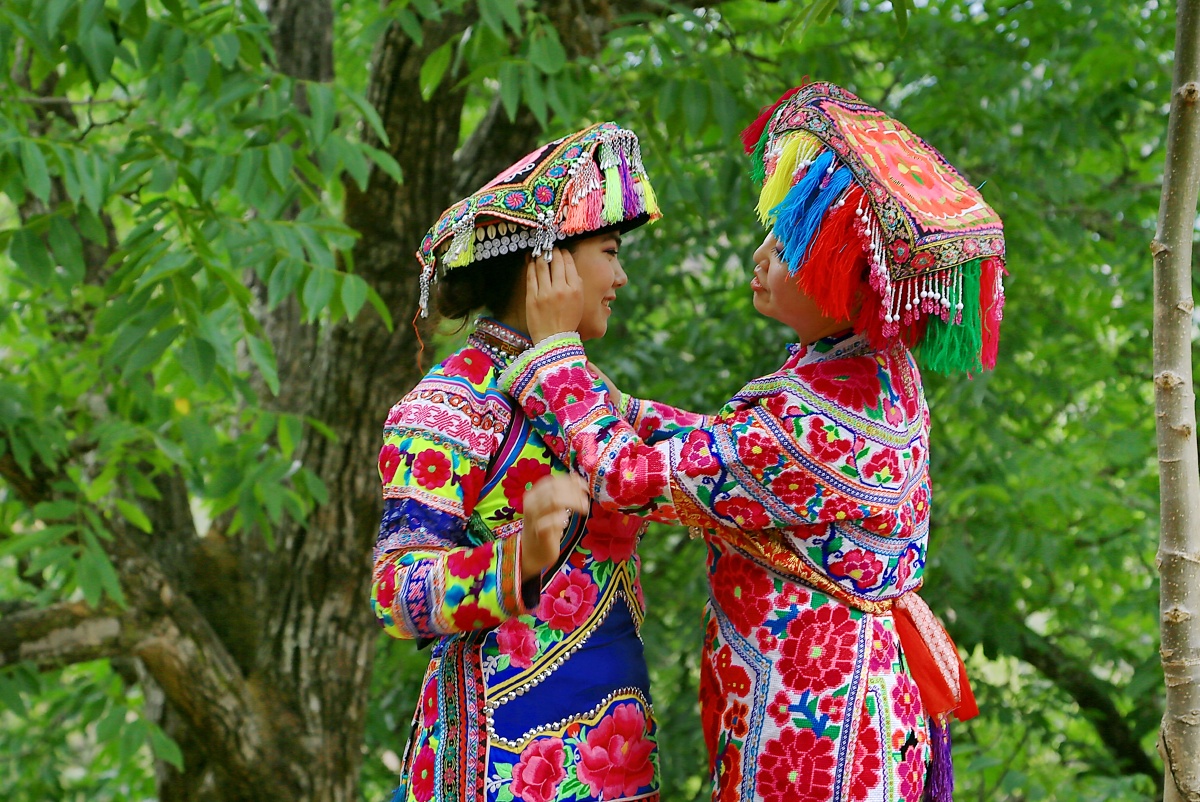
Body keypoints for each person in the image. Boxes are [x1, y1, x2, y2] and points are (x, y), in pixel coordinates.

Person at [499, 82, 1006, 802]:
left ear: (847, 276)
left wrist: (555, 358)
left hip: (816, 727)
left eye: (789, 245)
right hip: (841, 699)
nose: (762, 256)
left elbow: (631, 478)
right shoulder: (867, 370)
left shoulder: (820, 423)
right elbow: (730, 448)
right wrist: (623, 404)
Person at [371, 122, 664, 802]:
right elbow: (395, 594)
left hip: (613, 751)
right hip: (498, 763)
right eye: (610, 251)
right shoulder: (451, 404)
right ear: (547, 262)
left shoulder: (586, 396)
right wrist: (521, 560)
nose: (620, 276)